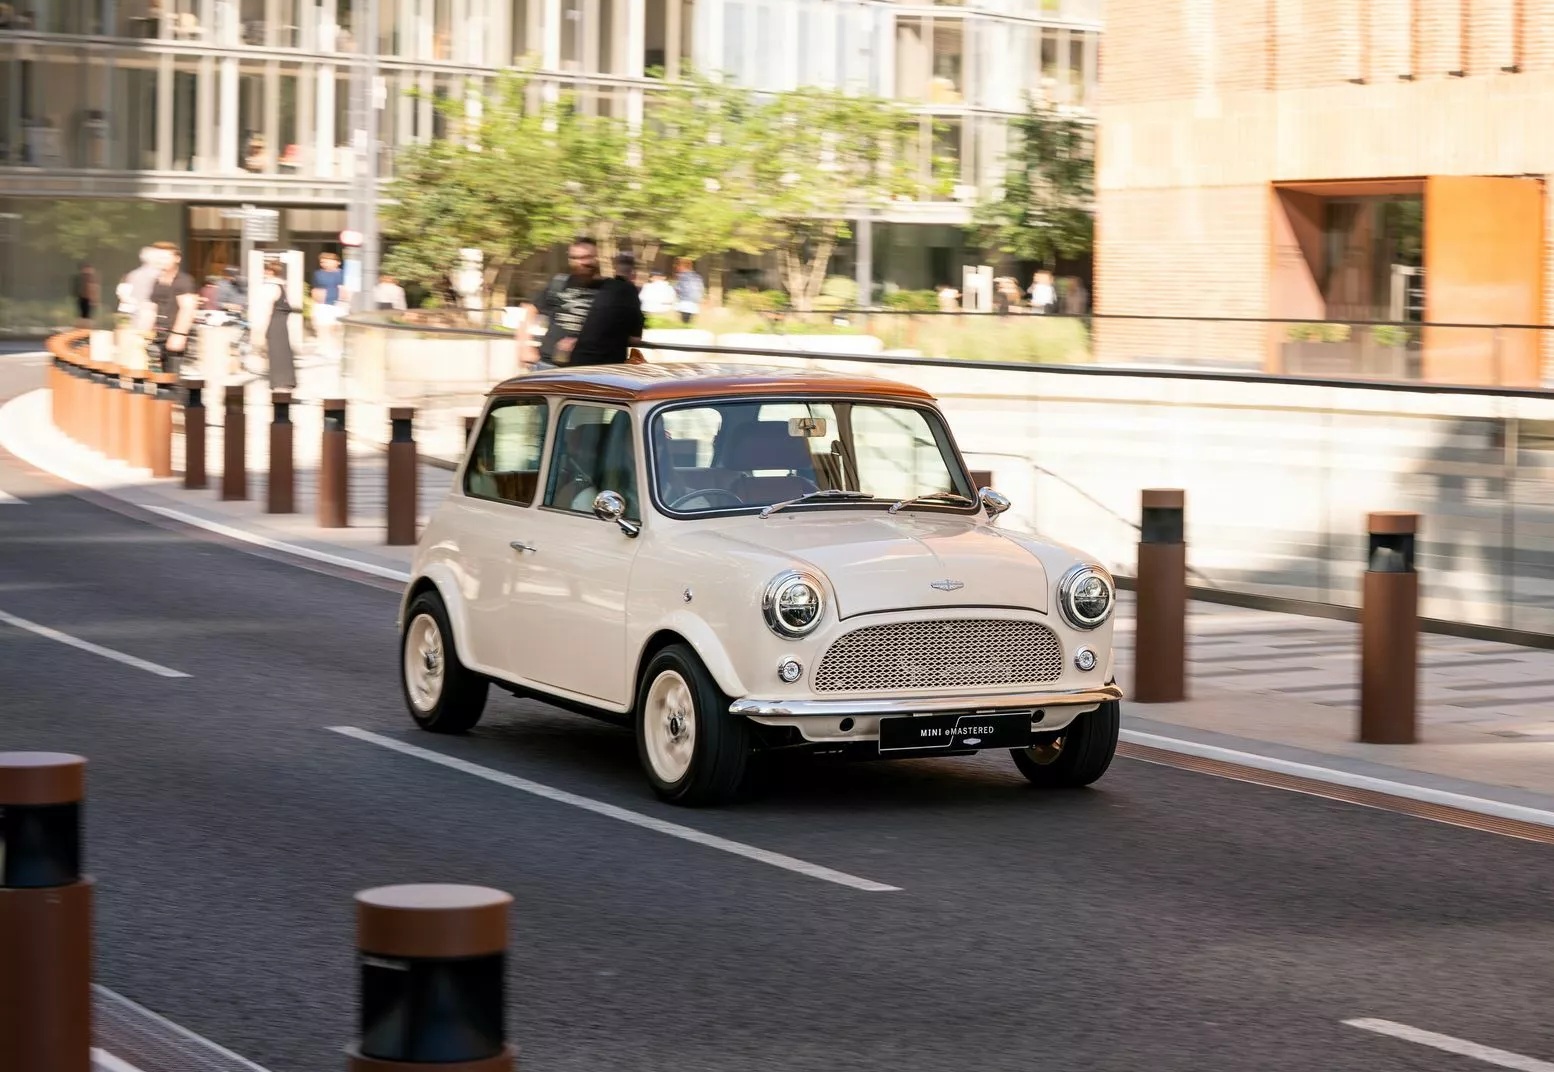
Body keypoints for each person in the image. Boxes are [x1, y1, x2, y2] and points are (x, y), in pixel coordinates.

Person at [529, 236, 602, 367]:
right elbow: (531, 309)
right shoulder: (559, 283)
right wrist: (524, 344)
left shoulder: (609, 290)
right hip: (547, 364)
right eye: (574, 258)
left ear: (597, 258)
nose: (580, 263)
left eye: (586, 257)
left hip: (586, 367)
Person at [568, 251, 646, 366]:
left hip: (578, 359)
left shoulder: (598, 288)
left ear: (614, 267)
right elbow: (635, 338)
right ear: (633, 271)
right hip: (608, 361)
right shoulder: (629, 291)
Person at [147, 241, 199, 375]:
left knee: (175, 378)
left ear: (177, 258)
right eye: (158, 258)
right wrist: (147, 330)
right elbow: (153, 307)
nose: (161, 261)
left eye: (165, 257)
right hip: (159, 335)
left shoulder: (183, 281)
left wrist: (179, 335)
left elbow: (187, 309)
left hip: (175, 335)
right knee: (159, 377)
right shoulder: (157, 281)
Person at [256, 259, 296, 390]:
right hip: (282, 324)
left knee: (275, 351)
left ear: (269, 271)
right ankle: (287, 380)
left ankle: (278, 381)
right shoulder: (283, 287)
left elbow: (265, 310)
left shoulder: (269, 287)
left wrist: (261, 331)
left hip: (273, 323)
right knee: (284, 351)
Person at [310, 250, 348, 360]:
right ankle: (324, 349)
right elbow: (315, 288)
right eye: (322, 262)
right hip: (322, 305)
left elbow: (346, 289)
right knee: (323, 327)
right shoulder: (318, 274)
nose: (324, 264)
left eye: (327, 261)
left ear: (337, 262)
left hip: (339, 304)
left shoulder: (343, 274)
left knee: (337, 328)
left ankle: (338, 350)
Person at [673, 257, 704, 324]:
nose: (677, 268)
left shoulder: (682, 277)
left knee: (684, 325)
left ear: (682, 266)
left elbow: (677, 290)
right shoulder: (697, 277)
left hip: (684, 305)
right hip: (694, 306)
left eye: (678, 265)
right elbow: (700, 290)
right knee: (689, 325)